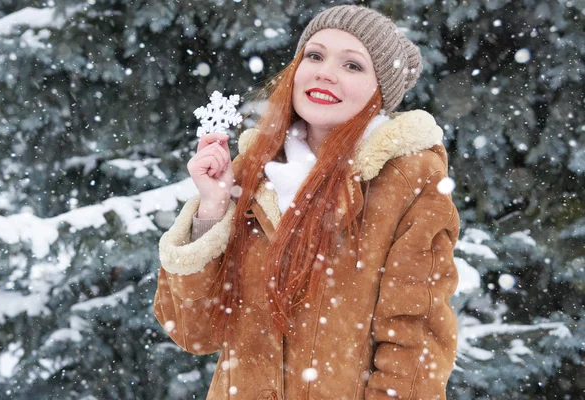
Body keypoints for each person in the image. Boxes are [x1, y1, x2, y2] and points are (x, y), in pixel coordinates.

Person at [154, 5, 460, 400]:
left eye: (353, 66)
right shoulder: (252, 172)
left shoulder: (407, 181)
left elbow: (414, 342)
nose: (325, 72)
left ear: (379, 91)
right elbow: (193, 332)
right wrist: (211, 210)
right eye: (314, 55)